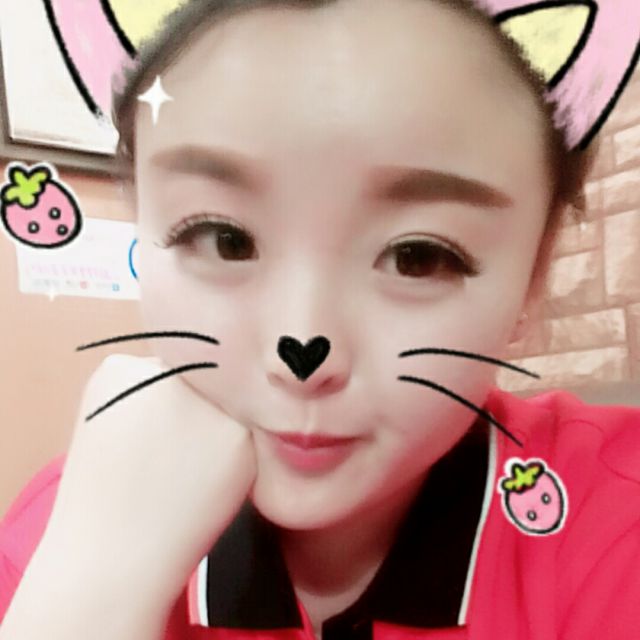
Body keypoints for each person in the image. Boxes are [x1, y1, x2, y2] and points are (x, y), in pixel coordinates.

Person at [1, 0, 639, 638]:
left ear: (534, 277)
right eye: (225, 239)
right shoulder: (57, 539)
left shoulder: (612, 513)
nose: (303, 348)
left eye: (418, 257)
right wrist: (91, 597)